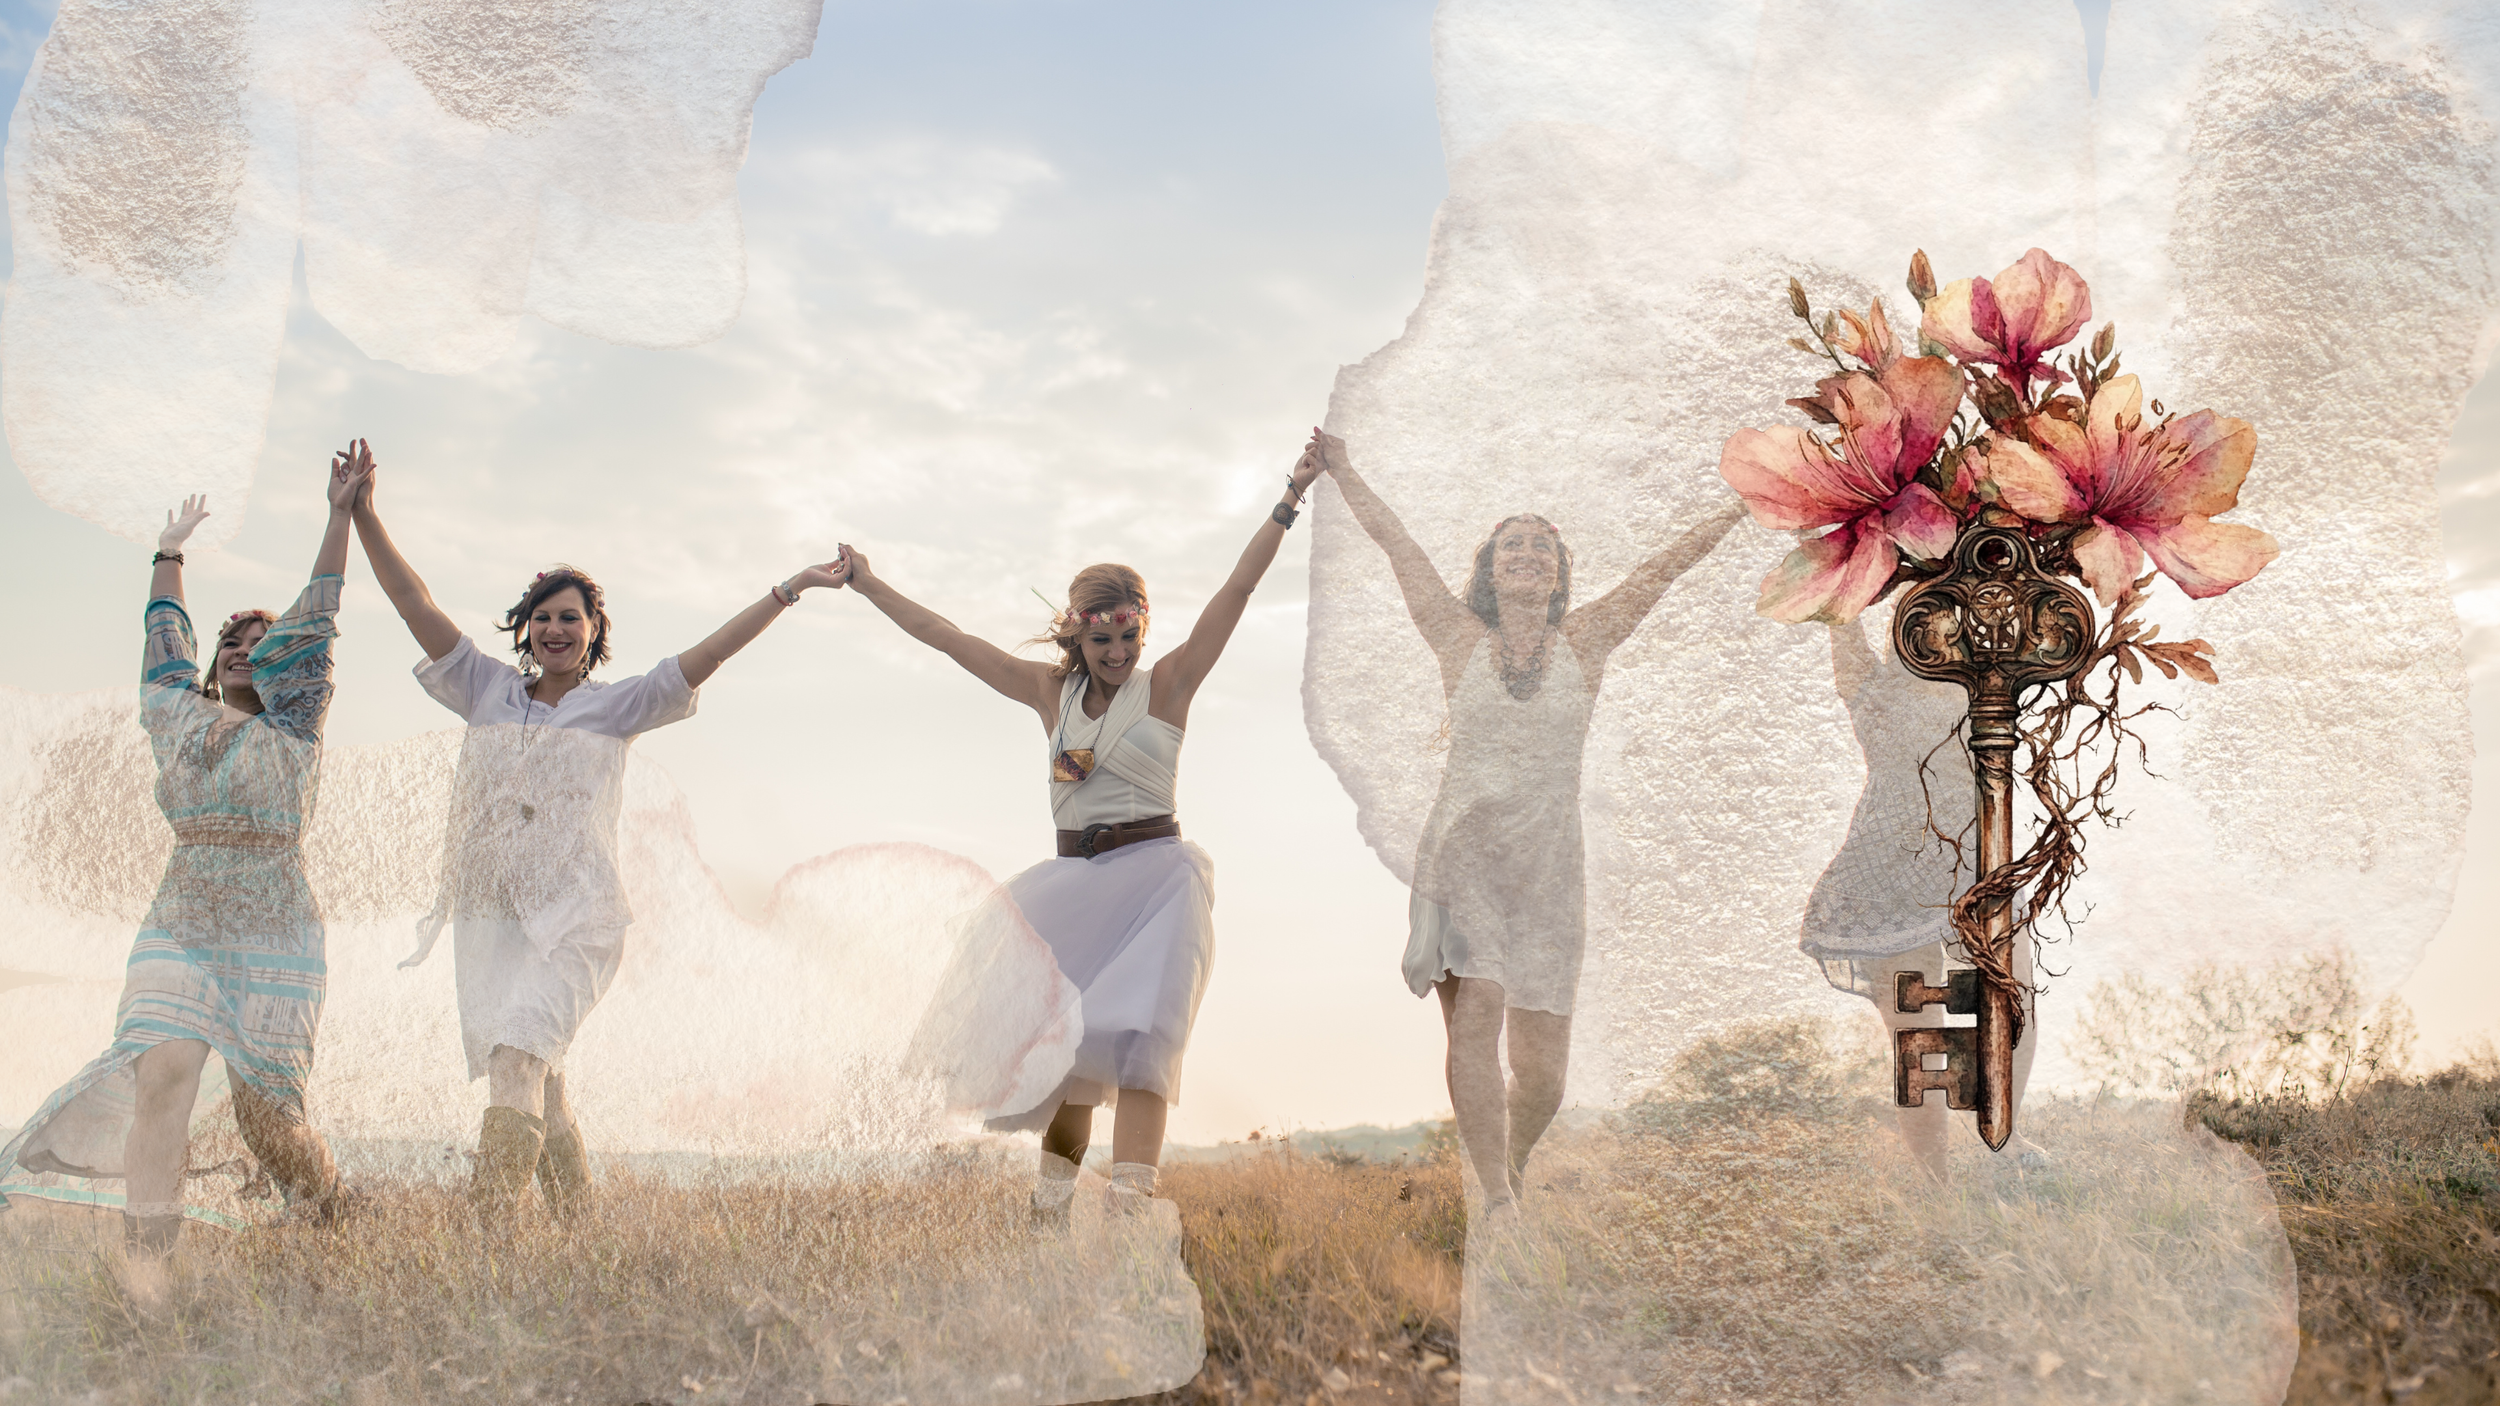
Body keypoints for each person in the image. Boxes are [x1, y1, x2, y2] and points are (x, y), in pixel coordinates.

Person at [344, 439, 847, 1224]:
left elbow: (708, 654)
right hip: (492, 920)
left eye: (569, 618)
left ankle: (491, 1246)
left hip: (577, 919)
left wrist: (789, 589)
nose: (554, 629)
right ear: (525, 628)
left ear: (592, 629)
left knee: (518, 1056)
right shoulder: (484, 689)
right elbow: (414, 603)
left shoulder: (617, 706)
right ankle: (582, 1236)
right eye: (541, 617)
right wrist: (365, 515)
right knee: (543, 1084)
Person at [841, 444, 1325, 1223]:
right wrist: (868, 584)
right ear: (1077, 636)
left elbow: (1238, 588)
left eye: (1127, 637)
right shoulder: (1048, 693)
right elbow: (943, 634)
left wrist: (1289, 497)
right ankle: (1049, 1209)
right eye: (1101, 641)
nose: (1116, 653)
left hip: (1157, 879)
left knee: (1141, 1042)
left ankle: (1133, 1206)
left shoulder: (1168, 684)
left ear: (1141, 630)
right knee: (1070, 1057)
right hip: (1073, 886)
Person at [1316, 429, 1740, 1214]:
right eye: (1511, 544)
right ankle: (1496, 1207)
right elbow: (1397, 545)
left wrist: (1746, 501)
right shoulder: (1456, 638)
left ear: (1559, 574)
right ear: (1488, 569)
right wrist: (1343, 471)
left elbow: (1663, 570)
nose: (1527, 553)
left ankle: (1506, 1165)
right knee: (1476, 1011)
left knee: (1544, 1075)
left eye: (1543, 547)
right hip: (1465, 854)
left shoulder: (1588, 639)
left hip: (1548, 870)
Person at [1, 456, 369, 1290]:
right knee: (163, 1070)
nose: (247, 650)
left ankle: (329, 1200)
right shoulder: (175, 717)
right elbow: (164, 636)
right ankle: (147, 1275)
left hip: (276, 926)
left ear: (288, 666)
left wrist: (341, 516)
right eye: (232, 642)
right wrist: (168, 552)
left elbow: (319, 607)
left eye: (262, 643)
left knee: (268, 1119)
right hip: (182, 917)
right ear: (210, 666)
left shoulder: (298, 725)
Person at [1804, 616, 2040, 1180]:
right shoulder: (1876, 684)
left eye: (1950, 618)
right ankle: (1937, 1183)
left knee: (2014, 1000)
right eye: (1925, 615)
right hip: (1889, 867)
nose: (1939, 628)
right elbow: (1839, 615)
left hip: (1973, 855)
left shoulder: (1986, 679)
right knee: (1915, 1029)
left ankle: (1996, 1141)